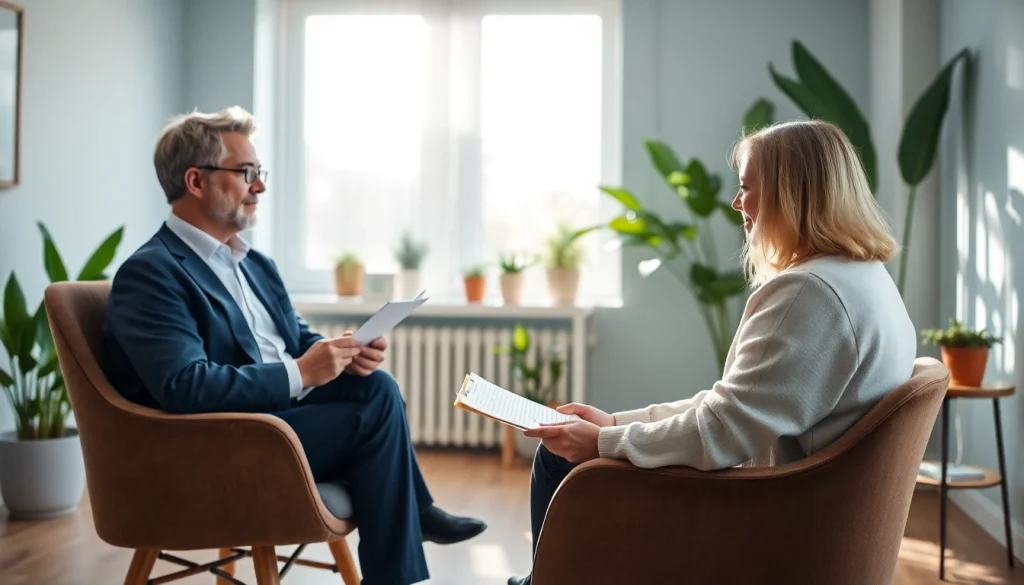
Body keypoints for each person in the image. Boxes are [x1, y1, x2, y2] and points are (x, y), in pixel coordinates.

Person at [506, 120, 918, 585]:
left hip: (765, 519)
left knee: (557, 459)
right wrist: (616, 424)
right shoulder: (864, 276)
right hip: (809, 510)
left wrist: (599, 443)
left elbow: (721, 432)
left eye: (746, 188)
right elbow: (733, 407)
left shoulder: (809, 293)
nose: (736, 203)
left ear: (790, 193)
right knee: (569, 447)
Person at [101, 106, 486, 585]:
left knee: (377, 386)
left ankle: (410, 534)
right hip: (221, 442)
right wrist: (304, 371)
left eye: (258, 172)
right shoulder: (153, 272)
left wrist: (345, 354)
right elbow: (185, 385)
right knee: (376, 413)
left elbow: (300, 342)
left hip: (277, 422)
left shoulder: (256, 263)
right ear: (196, 182)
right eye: (246, 173)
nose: (259, 186)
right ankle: (411, 532)